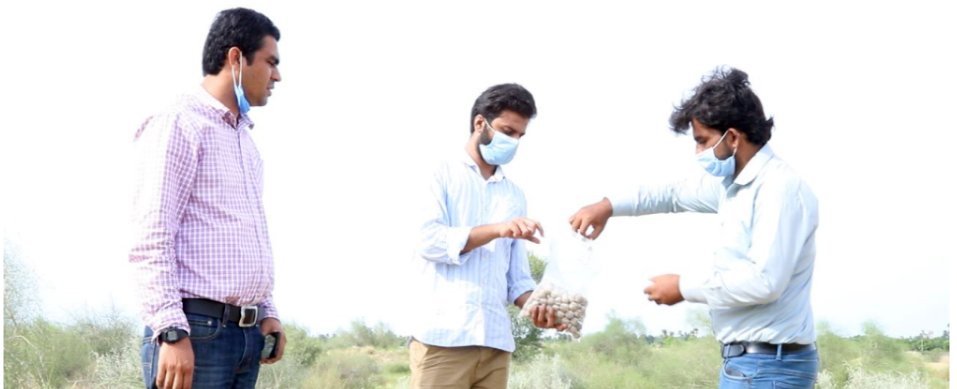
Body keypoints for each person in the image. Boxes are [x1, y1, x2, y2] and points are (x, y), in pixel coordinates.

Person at [569, 67, 820, 388]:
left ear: (732, 136)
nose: (698, 153)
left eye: (702, 141)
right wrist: (607, 206)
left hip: (768, 368)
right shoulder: (736, 186)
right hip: (748, 365)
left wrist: (683, 287)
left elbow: (764, 282)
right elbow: (673, 195)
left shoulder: (779, 189)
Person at [130, 8, 285, 389]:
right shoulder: (179, 124)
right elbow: (151, 238)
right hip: (196, 334)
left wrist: (267, 310)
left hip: (244, 337)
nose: (277, 75)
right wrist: (170, 331)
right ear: (236, 58)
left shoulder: (244, 142)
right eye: (270, 62)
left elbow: (247, 233)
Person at [410, 83, 564, 389]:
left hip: (495, 344)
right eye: (507, 131)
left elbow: (517, 280)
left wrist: (542, 308)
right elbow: (430, 242)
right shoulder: (440, 173)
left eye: (519, 136)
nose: (513, 142)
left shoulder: (514, 195)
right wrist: (498, 229)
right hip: (444, 339)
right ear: (480, 123)